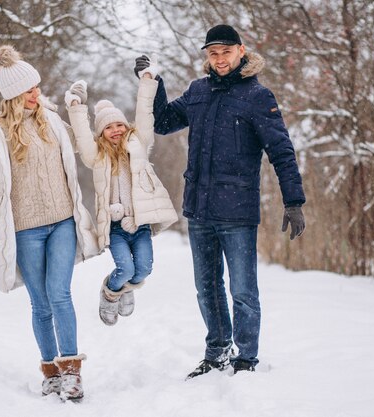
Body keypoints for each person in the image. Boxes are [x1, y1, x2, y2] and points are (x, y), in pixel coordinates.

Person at [134, 24, 306, 378]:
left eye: (225, 51)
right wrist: (153, 82)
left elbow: (282, 152)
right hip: (199, 209)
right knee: (206, 288)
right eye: (212, 53)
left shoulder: (258, 97)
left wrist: (294, 201)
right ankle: (217, 353)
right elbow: (164, 121)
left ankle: (246, 358)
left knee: (242, 290)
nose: (219, 59)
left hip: (237, 211)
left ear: (241, 51)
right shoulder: (198, 91)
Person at [0, 45, 99, 401]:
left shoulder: (52, 121)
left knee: (60, 293)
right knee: (40, 303)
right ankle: (50, 370)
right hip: (26, 230)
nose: (37, 93)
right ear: (12, 95)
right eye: (29, 89)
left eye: (36, 87)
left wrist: (80, 108)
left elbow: (85, 147)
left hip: (63, 222)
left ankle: (71, 370)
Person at [63, 68, 178, 326]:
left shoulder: (139, 145)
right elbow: (81, 135)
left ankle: (125, 289)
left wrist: (147, 81)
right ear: (101, 132)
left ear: (126, 127)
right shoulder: (97, 157)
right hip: (115, 228)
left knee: (144, 270)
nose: (115, 130)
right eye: (108, 127)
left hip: (140, 225)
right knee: (125, 269)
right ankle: (110, 292)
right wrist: (76, 106)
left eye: (119, 125)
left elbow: (144, 113)